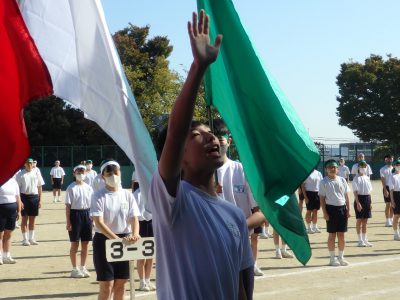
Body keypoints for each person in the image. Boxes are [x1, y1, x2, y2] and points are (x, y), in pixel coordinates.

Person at [148, 10, 254, 300]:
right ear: (177, 156)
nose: (211, 137)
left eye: (211, 132)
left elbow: (242, 288)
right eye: (196, 135)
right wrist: (198, 67)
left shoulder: (233, 214)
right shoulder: (173, 202)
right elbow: (174, 132)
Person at [214, 119, 263, 276]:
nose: (217, 144)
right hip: (212, 248)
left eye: (220, 140)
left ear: (228, 141)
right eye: (212, 139)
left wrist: (238, 228)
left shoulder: (241, 170)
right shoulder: (198, 174)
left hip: (240, 247)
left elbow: (259, 212)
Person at [90, 159, 140, 300]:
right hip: (104, 241)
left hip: (125, 240)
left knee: (121, 285)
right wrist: (116, 240)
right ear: (103, 176)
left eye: (116, 172)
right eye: (109, 173)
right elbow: (98, 222)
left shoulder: (128, 195)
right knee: (106, 286)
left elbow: (134, 218)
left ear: (120, 173)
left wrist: (135, 234)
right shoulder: (98, 195)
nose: (113, 175)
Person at [319, 159, 351, 266]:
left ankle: (341, 257)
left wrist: (348, 210)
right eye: (330, 167)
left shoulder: (342, 180)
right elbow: (322, 199)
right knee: (332, 235)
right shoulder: (323, 181)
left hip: (342, 209)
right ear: (326, 169)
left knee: (341, 235)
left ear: (337, 169)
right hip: (331, 210)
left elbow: (346, 196)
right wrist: (325, 213)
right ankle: (332, 258)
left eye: (334, 167)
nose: (332, 169)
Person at [65, 165, 93, 278]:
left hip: (87, 214)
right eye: (78, 171)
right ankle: (74, 268)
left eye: (83, 171)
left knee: (86, 243)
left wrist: (93, 219)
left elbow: (92, 204)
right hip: (75, 215)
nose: (81, 174)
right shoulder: (71, 188)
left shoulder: (89, 187)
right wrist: (68, 222)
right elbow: (68, 206)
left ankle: (83, 267)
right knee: (75, 243)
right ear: (74, 173)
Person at [15, 158, 45, 246]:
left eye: (31, 163)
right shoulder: (20, 174)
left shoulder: (36, 173)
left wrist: (40, 200)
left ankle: (31, 238)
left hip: (34, 197)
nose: (30, 165)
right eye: (28, 163)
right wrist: (20, 201)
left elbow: (39, 187)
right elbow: (17, 190)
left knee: (33, 219)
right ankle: (25, 239)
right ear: (24, 164)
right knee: (24, 218)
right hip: (24, 197)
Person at [132, 187, 156, 291]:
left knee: (150, 255)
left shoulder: (152, 191)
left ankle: (147, 280)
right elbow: (135, 214)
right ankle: (142, 282)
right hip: (141, 224)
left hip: (151, 223)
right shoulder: (136, 194)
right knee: (141, 255)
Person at [0, 177, 22, 264]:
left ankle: (7, 256)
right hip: (1, 209)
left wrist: (19, 211)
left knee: (8, 233)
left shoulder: (13, 181)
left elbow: (18, 197)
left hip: (12, 209)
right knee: (0, 234)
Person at [352, 160, 373, 247]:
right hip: (359, 198)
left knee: (365, 221)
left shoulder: (367, 178)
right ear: (358, 168)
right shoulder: (356, 178)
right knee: (359, 220)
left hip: (367, 198)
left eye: (364, 166)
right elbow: (355, 192)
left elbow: (369, 191)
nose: (363, 168)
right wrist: (358, 203)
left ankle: (365, 239)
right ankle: (359, 240)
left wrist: (370, 202)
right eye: (361, 166)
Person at [302, 168, 323, 234]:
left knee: (315, 211)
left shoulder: (318, 173)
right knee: (309, 211)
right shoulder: (306, 172)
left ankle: (314, 227)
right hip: (309, 193)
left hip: (317, 193)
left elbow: (321, 183)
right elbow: (302, 185)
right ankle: (308, 228)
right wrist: (305, 197)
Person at [380, 154, 394, 227]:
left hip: (393, 189)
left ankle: (391, 219)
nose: (390, 160)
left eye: (391, 159)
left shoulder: (394, 168)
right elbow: (382, 180)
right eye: (388, 159)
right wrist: (385, 189)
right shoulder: (383, 169)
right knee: (388, 204)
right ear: (386, 160)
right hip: (387, 188)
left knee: (393, 205)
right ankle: (387, 220)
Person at [389, 159, 400, 241]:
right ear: (394, 166)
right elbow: (391, 190)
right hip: (396, 195)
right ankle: (396, 233)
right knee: (396, 216)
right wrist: (392, 201)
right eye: (397, 165)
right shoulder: (392, 176)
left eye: (399, 165)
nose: (398, 166)